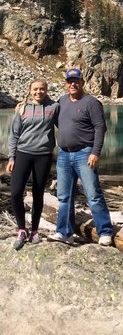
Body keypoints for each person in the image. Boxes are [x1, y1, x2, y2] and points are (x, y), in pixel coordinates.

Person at [52, 68, 113, 246]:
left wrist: (95, 152)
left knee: (93, 194)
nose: (73, 84)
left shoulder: (91, 102)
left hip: (84, 153)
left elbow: (100, 128)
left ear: (82, 82)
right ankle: (64, 232)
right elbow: (53, 117)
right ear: (66, 83)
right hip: (64, 154)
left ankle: (105, 232)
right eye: (70, 81)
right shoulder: (62, 101)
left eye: (76, 81)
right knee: (64, 196)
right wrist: (23, 106)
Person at [7, 79, 59, 250]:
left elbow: (65, 127)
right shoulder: (22, 109)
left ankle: (34, 230)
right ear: (30, 91)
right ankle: (21, 229)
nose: (39, 92)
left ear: (46, 90)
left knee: (38, 193)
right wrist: (11, 157)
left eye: (42, 89)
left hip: (43, 155)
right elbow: (14, 135)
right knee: (15, 192)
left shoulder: (54, 107)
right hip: (23, 154)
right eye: (35, 89)